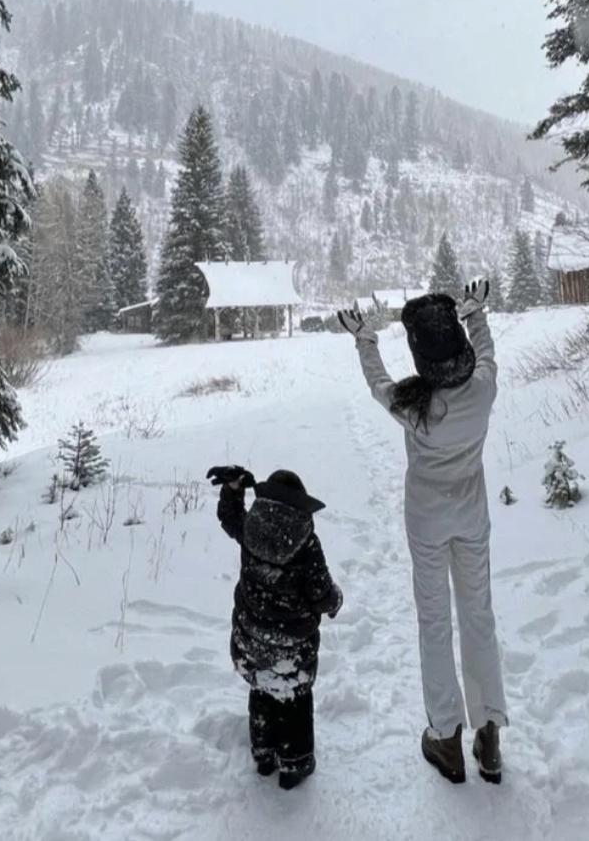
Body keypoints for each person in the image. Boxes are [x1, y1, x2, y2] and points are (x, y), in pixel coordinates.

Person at [338, 280, 506, 785]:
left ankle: (446, 738)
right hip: (472, 518)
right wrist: (476, 313)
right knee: (479, 618)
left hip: (427, 523)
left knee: (435, 625)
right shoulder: (483, 390)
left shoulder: (413, 407)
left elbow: (377, 383)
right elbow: (489, 354)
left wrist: (365, 339)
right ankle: (490, 734)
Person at [207, 464, 343, 790]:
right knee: (294, 698)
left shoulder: (252, 527)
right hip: (292, 649)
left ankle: (264, 753)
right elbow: (322, 594)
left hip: (250, 639)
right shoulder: (307, 544)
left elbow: (229, 517)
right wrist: (335, 601)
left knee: (261, 689)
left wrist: (233, 489)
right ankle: (294, 765)